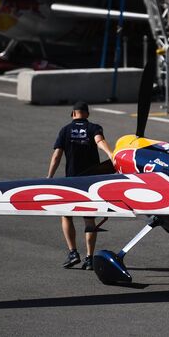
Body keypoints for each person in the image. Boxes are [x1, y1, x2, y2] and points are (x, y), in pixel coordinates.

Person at [47, 101, 113, 270]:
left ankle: (73, 253)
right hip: (91, 182)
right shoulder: (93, 128)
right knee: (89, 220)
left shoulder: (65, 131)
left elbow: (57, 156)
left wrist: (49, 177)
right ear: (87, 114)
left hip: (71, 181)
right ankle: (90, 258)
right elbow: (100, 142)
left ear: (73, 114)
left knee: (66, 215)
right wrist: (111, 155)